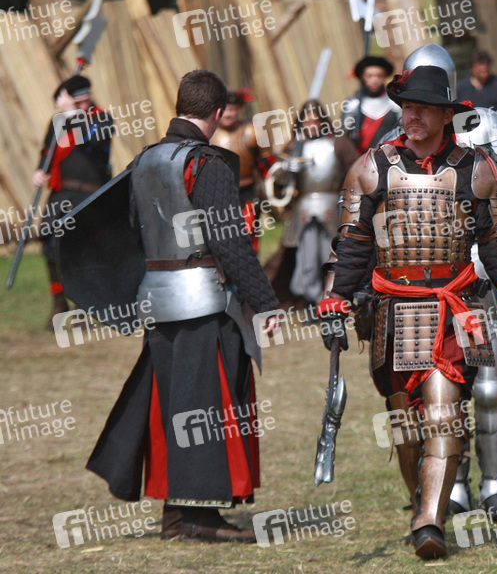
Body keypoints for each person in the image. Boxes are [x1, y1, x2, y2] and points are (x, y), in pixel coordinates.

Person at [318, 64, 497, 559]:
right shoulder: (371, 167)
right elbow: (352, 244)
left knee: (444, 415)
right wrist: (336, 296)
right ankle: (421, 501)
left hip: (454, 308)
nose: (412, 117)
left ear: (445, 115)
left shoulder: (477, 168)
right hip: (392, 310)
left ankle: (429, 523)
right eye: (407, 108)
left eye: (422, 109)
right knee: (404, 424)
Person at [86, 70, 280, 542]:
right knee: (206, 408)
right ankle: (197, 517)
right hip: (204, 302)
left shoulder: (144, 160)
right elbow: (229, 241)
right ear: (218, 112)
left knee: (174, 405)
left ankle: (178, 514)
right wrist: (266, 302)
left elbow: (131, 229)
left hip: (159, 299)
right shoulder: (206, 163)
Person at [32, 75, 114, 328]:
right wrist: (40, 171)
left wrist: (71, 116)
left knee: (83, 248)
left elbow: (91, 141)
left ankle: (83, 308)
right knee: (49, 244)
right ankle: (59, 303)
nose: (81, 106)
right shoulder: (57, 123)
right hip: (61, 192)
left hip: (90, 194)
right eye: (76, 102)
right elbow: (47, 152)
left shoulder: (101, 119)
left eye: (82, 102)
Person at [263, 100, 357, 309]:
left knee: (330, 256)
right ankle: (311, 300)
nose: (311, 125)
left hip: (332, 206)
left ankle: (331, 298)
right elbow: (278, 181)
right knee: (307, 258)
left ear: (323, 121)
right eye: (307, 121)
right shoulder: (295, 146)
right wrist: (286, 168)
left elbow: (356, 170)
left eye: (315, 120)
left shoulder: (338, 143)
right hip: (303, 209)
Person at [209, 87, 273, 252]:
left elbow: (268, 166)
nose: (228, 114)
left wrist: (276, 191)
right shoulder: (208, 134)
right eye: (224, 110)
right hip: (217, 197)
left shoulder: (252, 131)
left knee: (247, 243)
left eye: (231, 109)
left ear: (238, 109)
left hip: (247, 197)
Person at [341, 56, 401, 155]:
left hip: (391, 156)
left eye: (379, 75)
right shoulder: (352, 105)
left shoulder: (395, 103)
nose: (374, 80)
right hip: (360, 158)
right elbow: (345, 136)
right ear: (363, 76)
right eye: (369, 76)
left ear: (385, 75)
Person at [457, 50, 497, 130]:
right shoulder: (462, 89)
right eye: (480, 71)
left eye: (486, 71)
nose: (484, 75)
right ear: (472, 69)